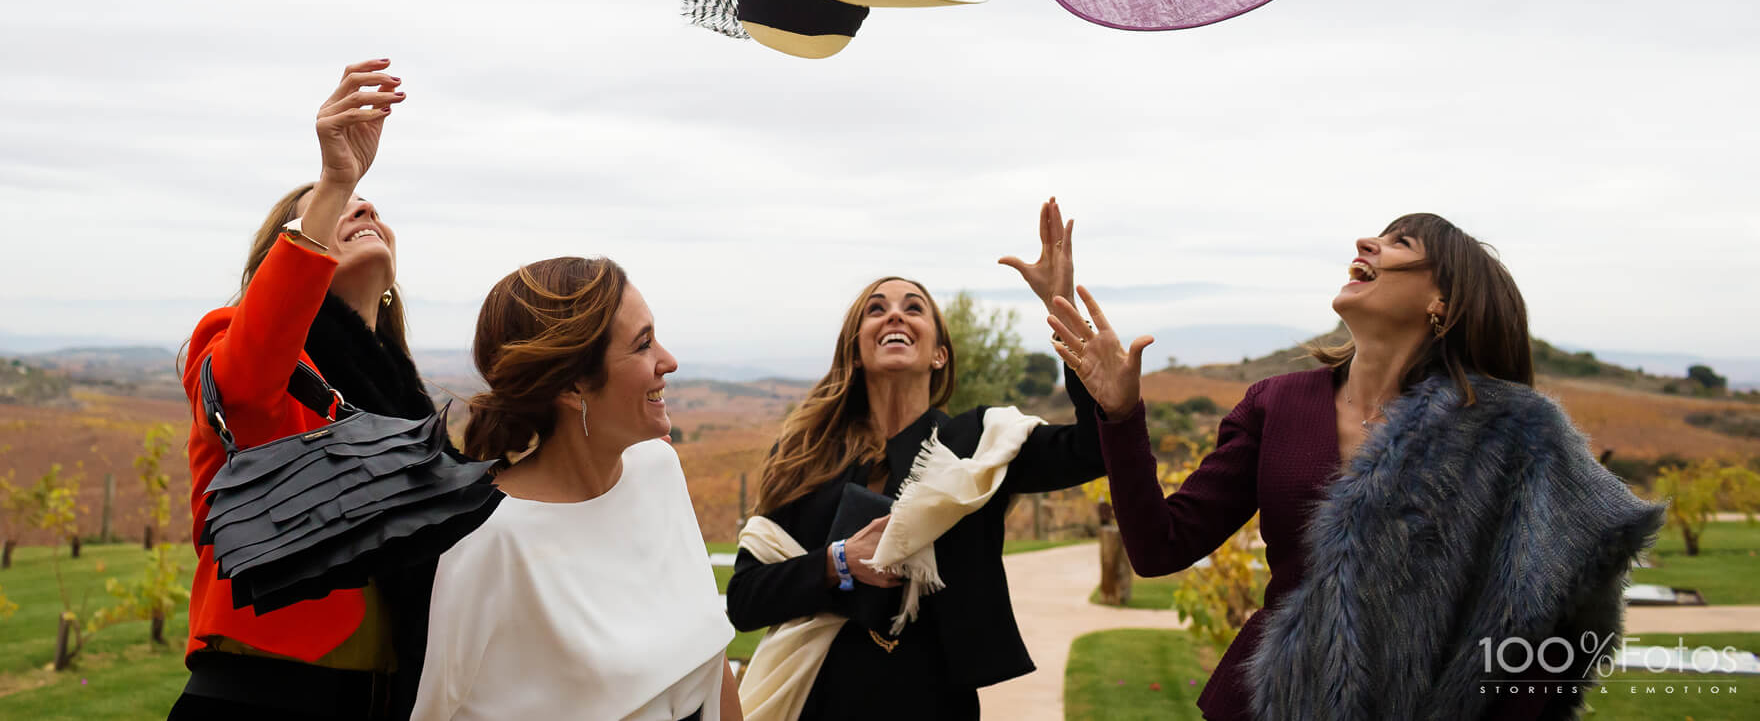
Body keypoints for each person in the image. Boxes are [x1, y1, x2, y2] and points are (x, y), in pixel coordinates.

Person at [1050, 212, 1666, 721]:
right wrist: (1122, 415)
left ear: (1442, 302)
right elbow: (1160, 547)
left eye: (1401, 243)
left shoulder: (1515, 429)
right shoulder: (1277, 402)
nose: (1365, 243)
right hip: (1268, 703)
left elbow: (1574, 607)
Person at [726, 199, 1104, 721]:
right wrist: (838, 563)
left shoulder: (980, 444)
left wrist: (1063, 306)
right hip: (817, 705)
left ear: (938, 353)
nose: (895, 314)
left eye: (913, 307)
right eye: (876, 309)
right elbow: (744, 599)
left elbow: (1096, 447)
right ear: (857, 350)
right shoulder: (806, 458)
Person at [173, 59, 435, 720]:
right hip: (257, 692)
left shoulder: (406, 403)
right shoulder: (233, 342)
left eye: (366, 203)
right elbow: (246, 387)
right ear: (281, 264)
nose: (365, 204)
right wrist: (336, 176)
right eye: (333, 210)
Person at [410, 256, 740, 721]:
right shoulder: (489, 538)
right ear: (573, 386)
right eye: (643, 345)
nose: (669, 361)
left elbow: (712, 658)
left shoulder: (659, 469)